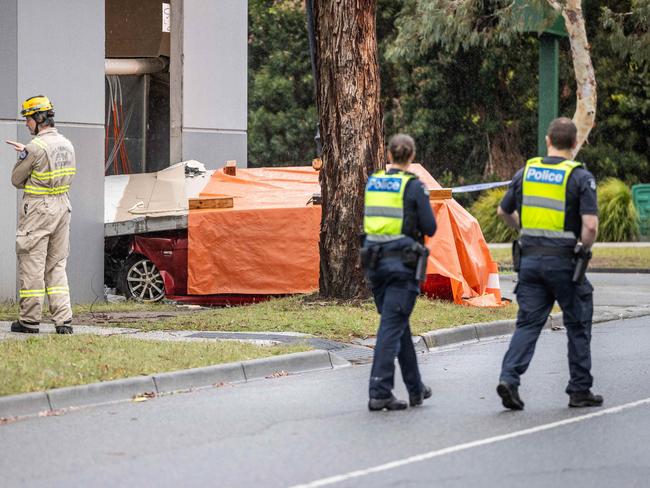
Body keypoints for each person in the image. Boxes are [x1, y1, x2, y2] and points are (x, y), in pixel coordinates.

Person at [496, 117, 603, 410]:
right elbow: (590, 226)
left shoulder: (526, 172)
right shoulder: (580, 177)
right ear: (574, 144)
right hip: (565, 263)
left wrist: (523, 229)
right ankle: (579, 390)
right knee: (578, 324)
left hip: (530, 261)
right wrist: (583, 247)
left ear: (548, 141)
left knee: (528, 323)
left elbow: (503, 211)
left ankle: (509, 378)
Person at [362, 133, 437, 411]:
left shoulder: (374, 182)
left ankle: (416, 388)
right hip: (402, 266)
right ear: (412, 157)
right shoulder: (414, 186)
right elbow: (430, 228)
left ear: (389, 155)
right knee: (391, 326)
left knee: (398, 322)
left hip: (374, 264)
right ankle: (380, 390)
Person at [5, 95, 76, 334]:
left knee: (32, 264)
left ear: (39, 118)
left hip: (38, 210)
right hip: (63, 207)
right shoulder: (67, 144)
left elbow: (16, 180)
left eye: (28, 119)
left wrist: (25, 154)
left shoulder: (35, 148)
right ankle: (64, 321)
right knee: (56, 265)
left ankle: (29, 321)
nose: (26, 123)